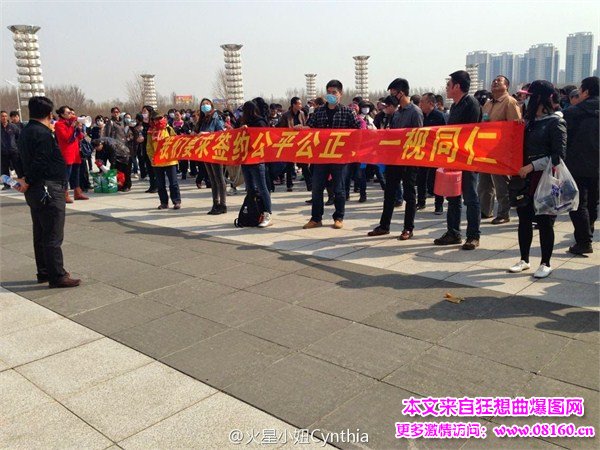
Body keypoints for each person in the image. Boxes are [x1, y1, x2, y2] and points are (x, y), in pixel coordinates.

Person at [14, 96, 80, 288]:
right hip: (47, 188)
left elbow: (22, 158)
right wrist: (27, 179)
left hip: (37, 188)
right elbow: (41, 161)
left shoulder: (26, 131)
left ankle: (44, 271)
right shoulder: (42, 133)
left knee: (41, 232)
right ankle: (57, 275)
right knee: (52, 233)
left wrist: (24, 178)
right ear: (50, 114)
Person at [509, 80, 566, 278]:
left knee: (544, 221)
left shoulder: (555, 122)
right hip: (524, 179)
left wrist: (532, 166)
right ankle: (524, 259)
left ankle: (545, 262)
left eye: (529, 96)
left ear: (541, 98)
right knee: (523, 220)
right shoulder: (527, 122)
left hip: (545, 178)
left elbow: (558, 156)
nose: (525, 99)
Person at [367, 78, 423, 240]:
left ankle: (408, 228)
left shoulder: (415, 112)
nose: (392, 96)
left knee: (409, 194)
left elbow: (418, 137)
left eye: (393, 93)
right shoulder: (397, 113)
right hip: (394, 159)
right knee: (390, 193)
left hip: (409, 160)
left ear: (402, 93)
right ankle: (384, 225)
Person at [303, 80, 361, 230]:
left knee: (339, 189)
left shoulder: (348, 112)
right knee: (317, 188)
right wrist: (301, 129)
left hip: (340, 157)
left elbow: (358, 131)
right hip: (320, 157)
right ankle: (316, 218)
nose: (331, 95)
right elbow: (310, 127)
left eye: (334, 92)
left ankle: (339, 217)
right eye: (328, 92)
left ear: (340, 94)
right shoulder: (319, 111)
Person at [433, 70, 482, 250]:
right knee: (452, 196)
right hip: (453, 157)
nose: (446, 88)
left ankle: (473, 235)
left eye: (448, 85)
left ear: (457, 86)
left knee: (470, 197)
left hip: (467, 158)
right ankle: (453, 232)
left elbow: (469, 133)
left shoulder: (472, 104)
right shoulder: (454, 106)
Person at [478, 75, 522, 225]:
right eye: (494, 81)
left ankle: (504, 213)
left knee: (500, 183)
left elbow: (516, 128)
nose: (495, 82)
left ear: (507, 86)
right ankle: (485, 210)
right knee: (484, 183)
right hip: (486, 149)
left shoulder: (510, 102)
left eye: (499, 81)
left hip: (500, 150)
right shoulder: (488, 104)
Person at [565, 76, 599, 255]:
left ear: (586, 91)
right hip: (597, 165)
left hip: (577, 164)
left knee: (577, 203)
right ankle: (589, 232)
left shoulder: (573, 112)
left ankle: (584, 241)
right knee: (593, 201)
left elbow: (565, 140)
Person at [240, 101, 273, 228]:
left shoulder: (260, 122)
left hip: (257, 160)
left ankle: (267, 213)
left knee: (262, 188)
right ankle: (254, 212)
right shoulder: (243, 123)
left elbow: (264, 138)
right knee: (250, 189)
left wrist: (249, 132)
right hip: (245, 160)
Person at [196, 98, 227, 214]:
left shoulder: (216, 117)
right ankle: (215, 203)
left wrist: (207, 134)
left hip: (216, 151)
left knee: (219, 178)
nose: (205, 106)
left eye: (207, 104)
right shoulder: (203, 120)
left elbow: (222, 133)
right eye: (203, 104)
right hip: (206, 151)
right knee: (212, 179)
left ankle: (223, 204)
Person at [417, 93, 446, 214]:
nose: (420, 105)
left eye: (422, 102)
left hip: (436, 152)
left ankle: (438, 205)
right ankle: (421, 202)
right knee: (421, 178)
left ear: (431, 103)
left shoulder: (439, 116)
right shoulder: (420, 115)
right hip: (423, 152)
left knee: (436, 179)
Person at [146, 111, 181, 209]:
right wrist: (152, 157)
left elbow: (175, 141)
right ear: (152, 120)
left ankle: (176, 201)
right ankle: (164, 202)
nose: (158, 120)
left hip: (170, 160)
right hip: (157, 161)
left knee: (173, 183)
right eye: (156, 119)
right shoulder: (150, 131)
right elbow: (149, 146)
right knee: (160, 184)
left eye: (160, 118)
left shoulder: (169, 129)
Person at [54, 105, 87, 202]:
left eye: (71, 113)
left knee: (76, 173)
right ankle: (64, 194)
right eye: (68, 113)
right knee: (66, 175)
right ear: (62, 114)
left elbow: (80, 137)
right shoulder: (59, 124)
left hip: (75, 152)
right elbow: (66, 137)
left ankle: (77, 192)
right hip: (67, 152)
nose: (70, 115)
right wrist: (72, 126)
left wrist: (78, 128)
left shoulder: (70, 123)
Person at [277, 97, 307, 192]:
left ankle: (309, 183)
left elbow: (305, 125)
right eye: (298, 104)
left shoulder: (302, 114)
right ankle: (289, 184)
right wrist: (292, 129)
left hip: (300, 141)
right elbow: (281, 128)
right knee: (289, 164)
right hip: (289, 141)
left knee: (304, 163)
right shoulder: (286, 115)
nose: (300, 105)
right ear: (293, 105)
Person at [1, 110, 23, 189]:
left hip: (14, 151)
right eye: (2, 116)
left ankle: (21, 183)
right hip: (3, 152)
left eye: (5, 116)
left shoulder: (13, 127)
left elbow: (19, 138)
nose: (4, 118)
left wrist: (17, 147)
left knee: (18, 168)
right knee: (4, 170)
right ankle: (7, 185)